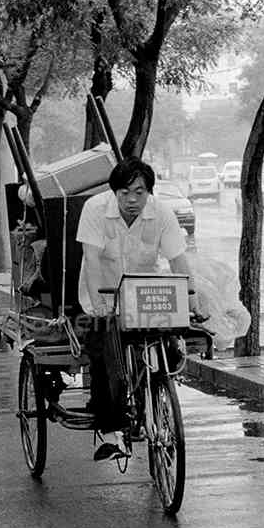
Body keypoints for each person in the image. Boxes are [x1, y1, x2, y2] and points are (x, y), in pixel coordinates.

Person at [76, 157, 195, 455]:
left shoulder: (162, 213)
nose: (132, 200)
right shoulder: (95, 210)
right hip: (103, 297)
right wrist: (101, 305)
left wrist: (191, 297)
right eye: (125, 193)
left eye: (139, 192)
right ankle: (111, 428)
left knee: (166, 347)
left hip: (144, 297)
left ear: (149, 193)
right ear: (114, 192)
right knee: (107, 357)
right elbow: (91, 260)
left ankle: (155, 395)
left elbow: (178, 259)